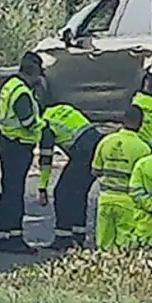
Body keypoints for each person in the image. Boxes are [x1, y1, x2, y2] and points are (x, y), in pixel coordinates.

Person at [0, 53, 44, 254]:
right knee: (15, 194)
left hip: (7, 142)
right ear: (32, 72)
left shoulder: (10, 85)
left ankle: (2, 236)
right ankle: (14, 237)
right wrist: (45, 124)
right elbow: (29, 123)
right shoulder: (22, 93)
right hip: (18, 146)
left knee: (8, 192)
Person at [37, 102, 99, 250]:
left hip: (82, 152)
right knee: (78, 193)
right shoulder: (61, 108)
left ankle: (63, 237)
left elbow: (46, 160)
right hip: (97, 143)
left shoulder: (45, 125)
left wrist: (42, 187)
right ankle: (78, 235)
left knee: (62, 192)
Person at [91, 105, 151, 250]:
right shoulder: (143, 148)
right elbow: (144, 180)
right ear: (141, 123)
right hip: (127, 202)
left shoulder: (106, 141)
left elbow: (95, 171)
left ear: (123, 120)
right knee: (125, 245)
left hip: (105, 199)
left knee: (104, 245)